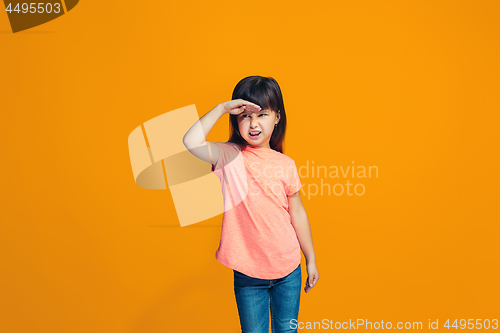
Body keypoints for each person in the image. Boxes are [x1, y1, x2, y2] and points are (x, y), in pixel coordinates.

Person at [183, 76, 319, 333]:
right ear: (236, 119)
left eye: (262, 115)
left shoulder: (285, 164)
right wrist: (222, 108)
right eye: (245, 116)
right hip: (249, 274)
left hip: (288, 270)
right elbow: (191, 142)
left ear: (277, 117)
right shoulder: (229, 156)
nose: (254, 124)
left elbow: (297, 213)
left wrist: (310, 258)